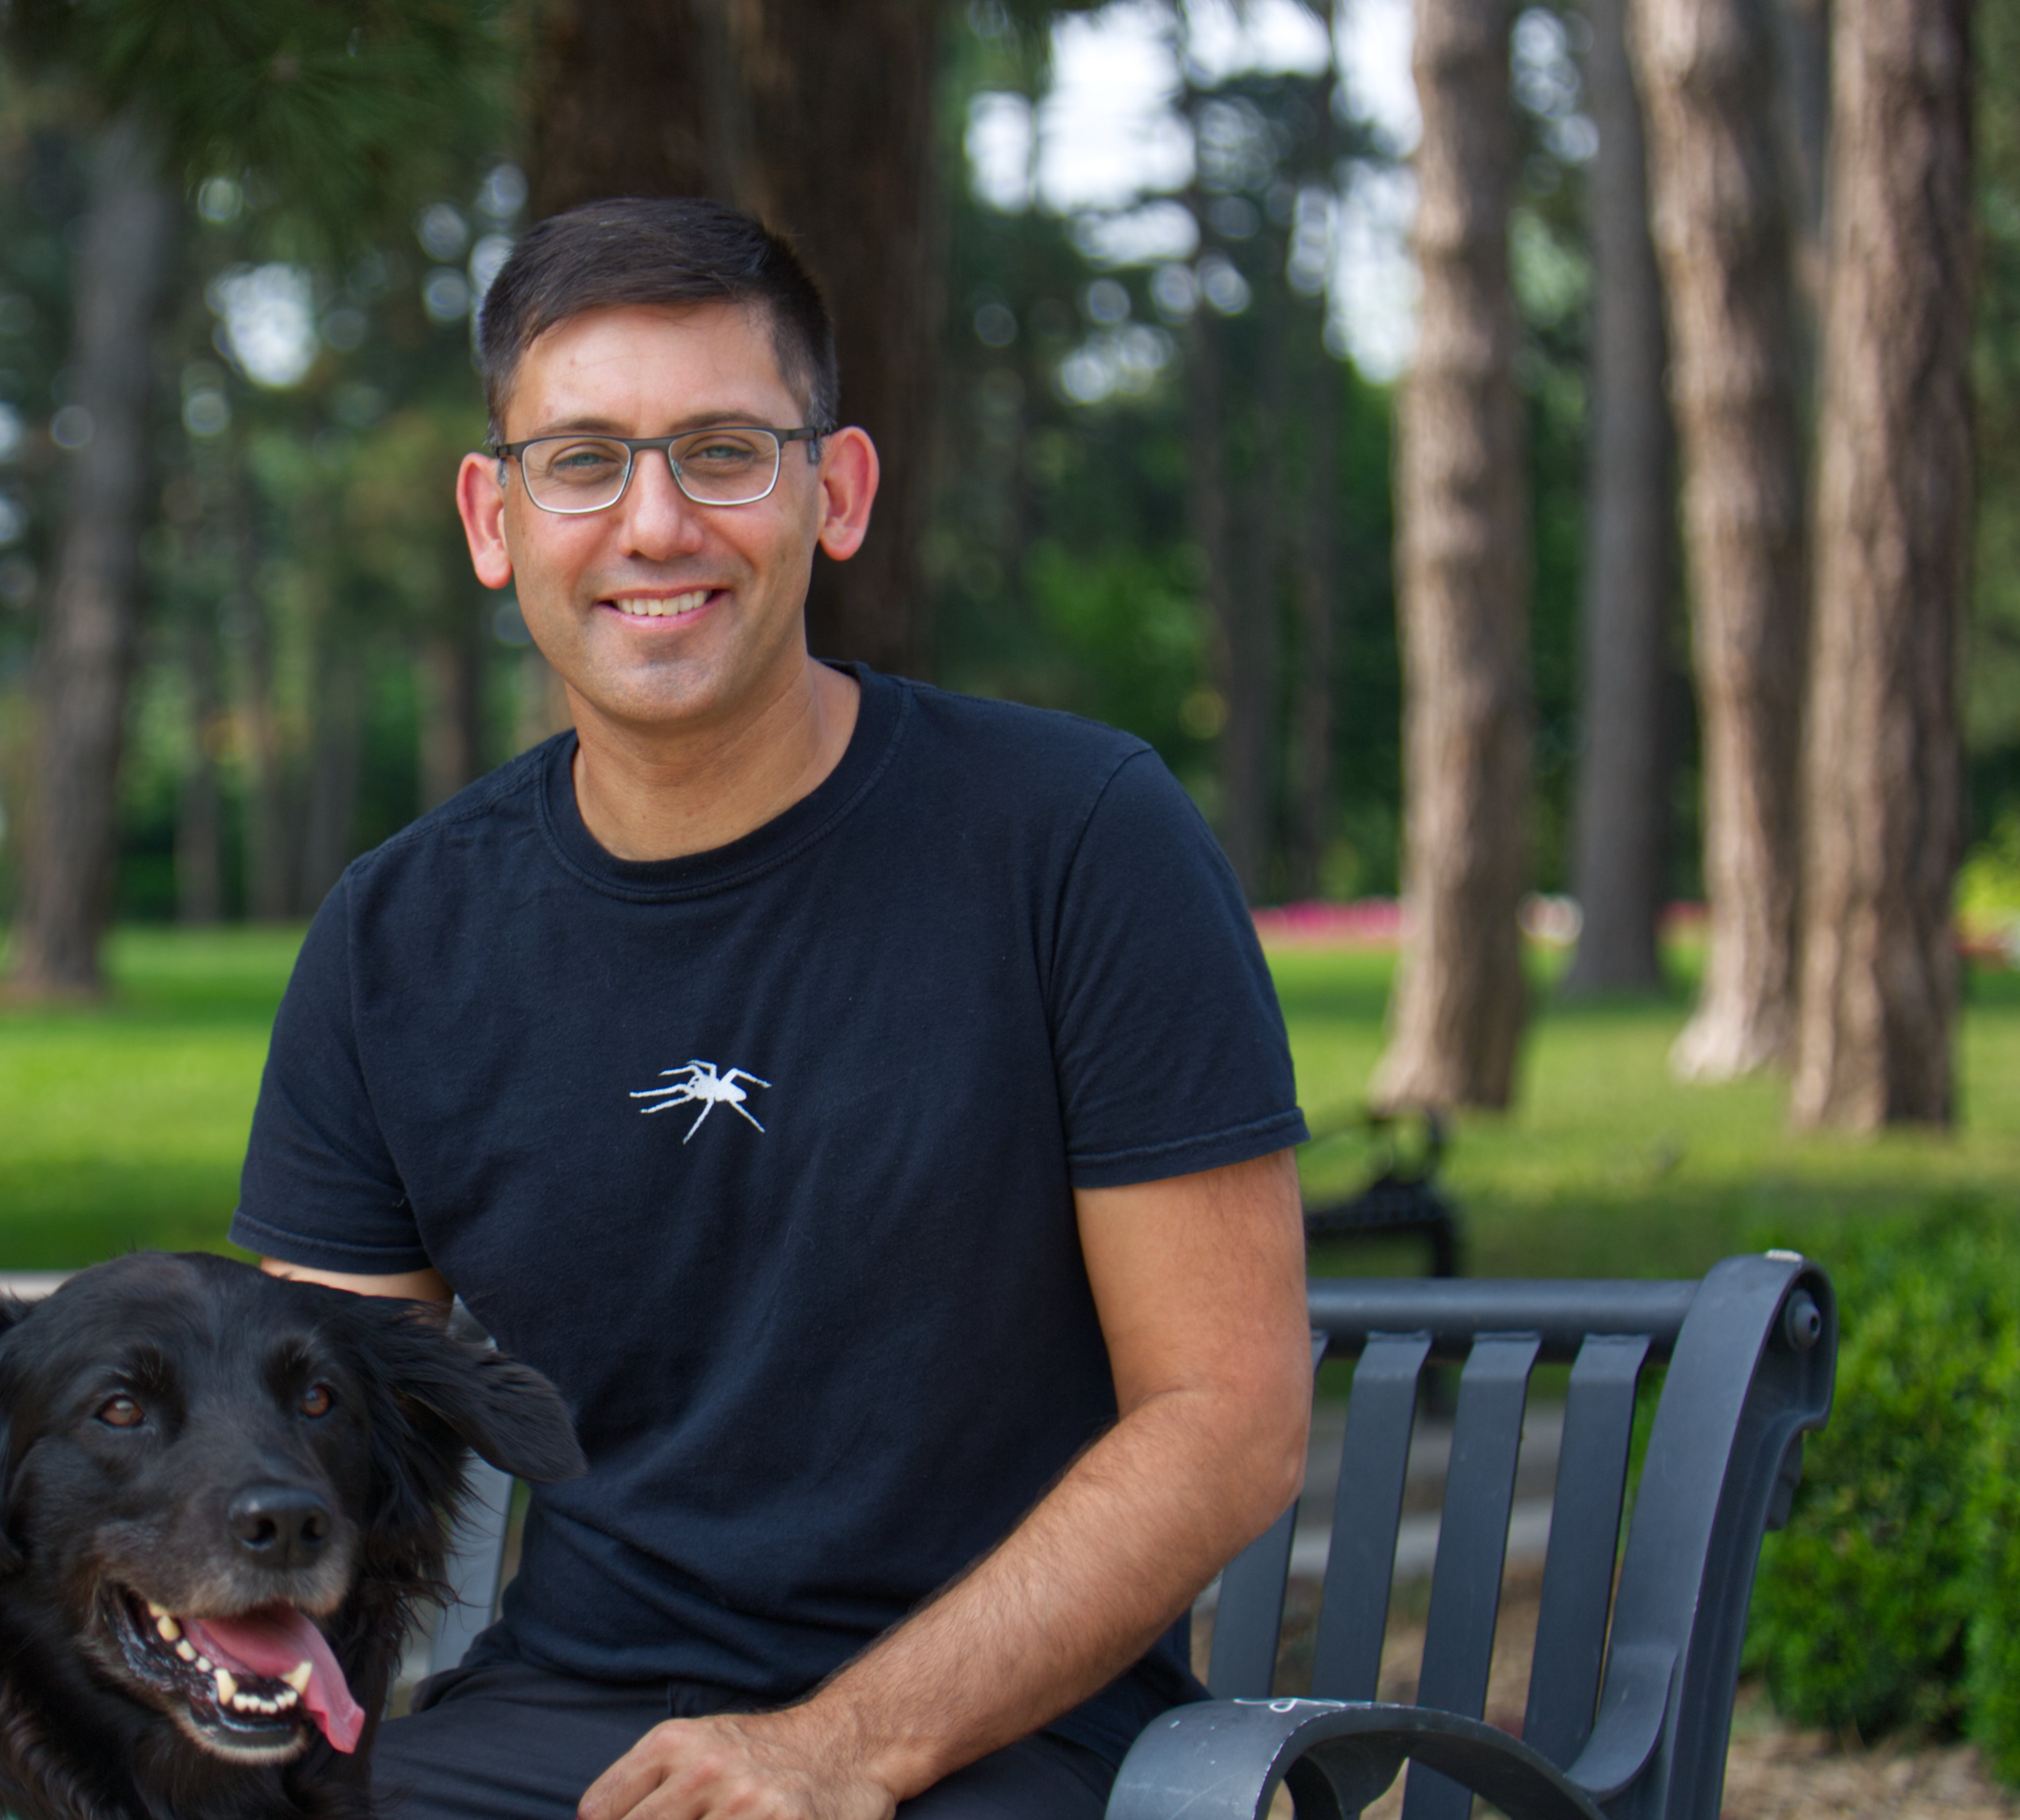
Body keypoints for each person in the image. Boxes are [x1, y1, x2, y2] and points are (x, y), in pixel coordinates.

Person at [231, 196, 1311, 1820]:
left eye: (725, 451)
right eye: (582, 461)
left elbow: (1224, 1418)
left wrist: (841, 1748)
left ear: (838, 490)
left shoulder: (1073, 839)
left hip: (991, 1745)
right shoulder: (400, 935)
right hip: (555, 1726)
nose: (653, 524)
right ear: (493, 516)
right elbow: (304, 1433)